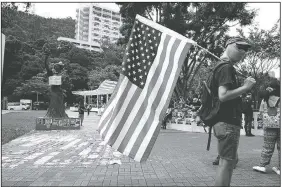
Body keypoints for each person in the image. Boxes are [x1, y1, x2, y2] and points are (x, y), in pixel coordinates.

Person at [212, 37, 255, 186]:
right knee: (227, 162)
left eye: (246, 49)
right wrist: (245, 87)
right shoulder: (226, 67)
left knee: (228, 160)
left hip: (222, 122)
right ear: (228, 45)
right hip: (228, 122)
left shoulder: (221, 66)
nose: (243, 52)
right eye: (239, 47)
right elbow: (223, 95)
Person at [253, 81, 280, 175]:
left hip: (269, 126)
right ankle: (280, 168)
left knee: (268, 146)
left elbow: (261, 112)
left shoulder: (265, 99)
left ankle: (262, 166)